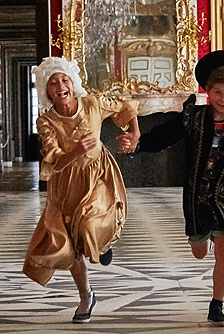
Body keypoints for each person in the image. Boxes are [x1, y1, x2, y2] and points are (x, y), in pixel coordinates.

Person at [120, 50, 224, 326]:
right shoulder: (193, 118)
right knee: (199, 249)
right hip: (196, 196)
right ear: (208, 91)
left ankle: (217, 305)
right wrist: (138, 145)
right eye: (218, 92)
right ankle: (202, 238)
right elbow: (163, 137)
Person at [22, 56, 140, 324]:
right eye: (53, 83)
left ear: (73, 83)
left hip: (98, 174)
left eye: (64, 79)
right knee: (71, 245)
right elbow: (54, 161)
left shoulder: (92, 103)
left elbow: (126, 106)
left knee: (88, 223)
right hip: (66, 183)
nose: (60, 85)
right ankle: (86, 296)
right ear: (46, 92)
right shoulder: (46, 122)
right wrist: (76, 151)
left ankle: (103, 241)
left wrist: (135, 133)